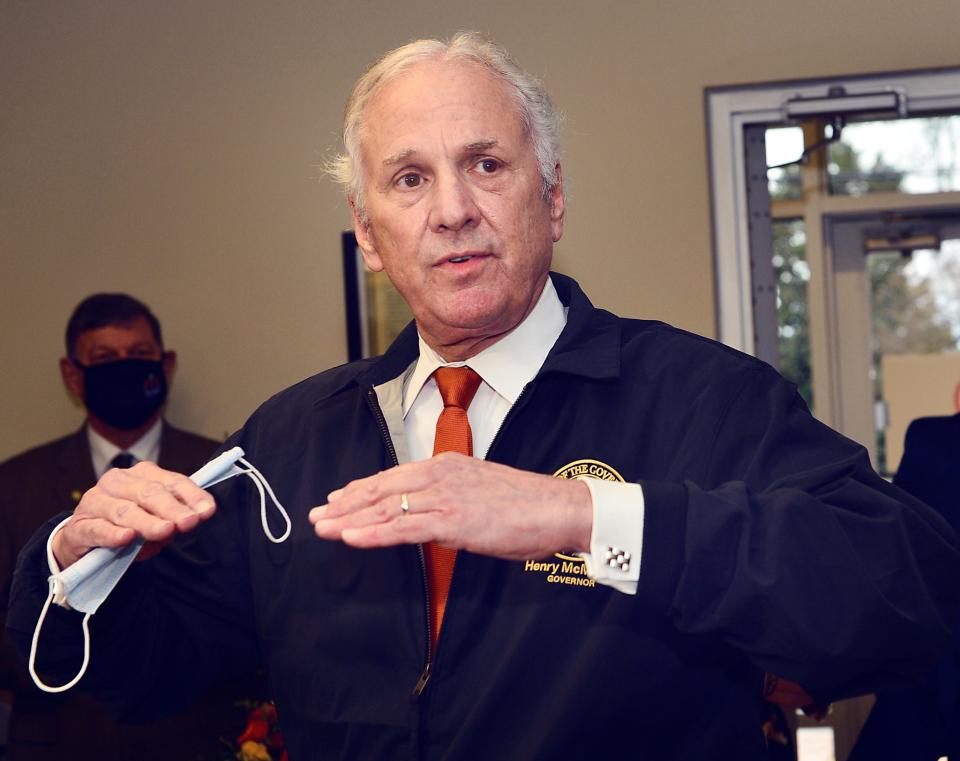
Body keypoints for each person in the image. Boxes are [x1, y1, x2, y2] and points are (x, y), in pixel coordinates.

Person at [6, 34, 960, 761]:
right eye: (410, 178)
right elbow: (138, 678)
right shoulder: (288, 442)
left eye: (486, 165)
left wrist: (587, 513)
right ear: (369, 232)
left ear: (551, 197)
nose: (452, 209)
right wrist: (76, 561)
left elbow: (908, 593)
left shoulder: (700, 397)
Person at [0, 293, 251, 761]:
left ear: (166, 364)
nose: (124, 370)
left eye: (138, 357)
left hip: (195, 740)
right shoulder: (13, 484)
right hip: (59, 740)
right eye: (104, 359)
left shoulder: (224, 473)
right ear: (72, 375)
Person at [849, 412, 960, 761]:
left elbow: (899, 537)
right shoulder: (935, 440)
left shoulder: (934, 439)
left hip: (934, 647)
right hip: (934, 653)